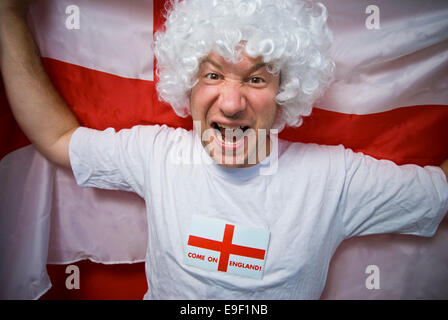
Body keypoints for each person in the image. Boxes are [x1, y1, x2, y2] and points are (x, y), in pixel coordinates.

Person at [1, 0, 447, 299]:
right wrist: (9, 16)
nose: (231, 104)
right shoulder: (156, 154)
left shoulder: (334, 179)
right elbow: (59, 140)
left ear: (284, 91)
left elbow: (439, 193)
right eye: (212, 75)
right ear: (188, 86)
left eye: (256, 79)